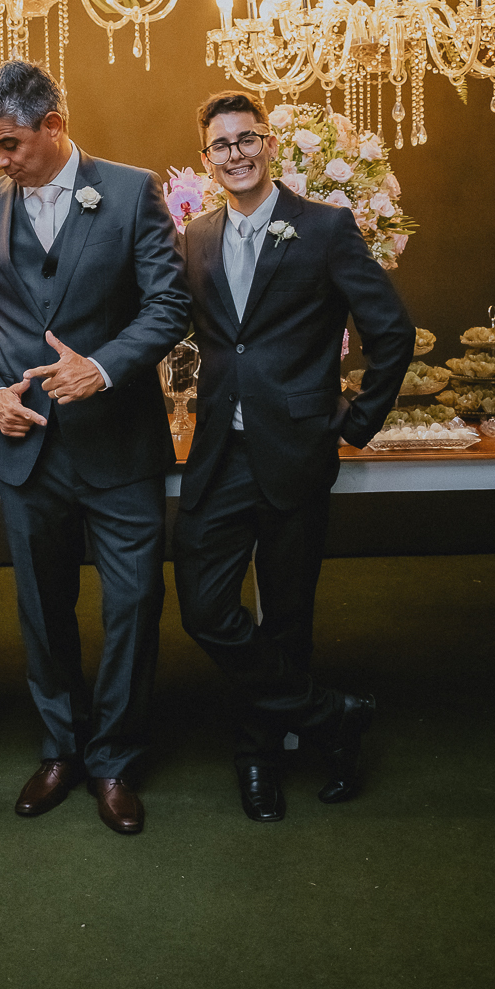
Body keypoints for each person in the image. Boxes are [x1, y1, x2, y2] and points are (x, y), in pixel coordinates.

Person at [0, 60, 191, 834]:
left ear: (53, 126)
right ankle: (60, 747)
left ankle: (114, 758)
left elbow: (169, 304)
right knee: (42, 610)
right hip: (27, 453)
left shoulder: (130, 191)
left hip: (119, 448)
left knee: (134, 605)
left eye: (10, 144)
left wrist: (103, 366)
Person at [175, 91, 414, 822]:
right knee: (205, 608)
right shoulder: (196, 237)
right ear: (206, 159)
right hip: (220, 453)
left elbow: (391, 330)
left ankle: (259, 757)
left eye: (246, 138)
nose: (236, 153)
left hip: (295, 451)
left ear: (269, 144)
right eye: (221, 144)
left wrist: (356, 423)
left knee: (287, 616)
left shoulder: (324, 227)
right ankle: (331, 716)